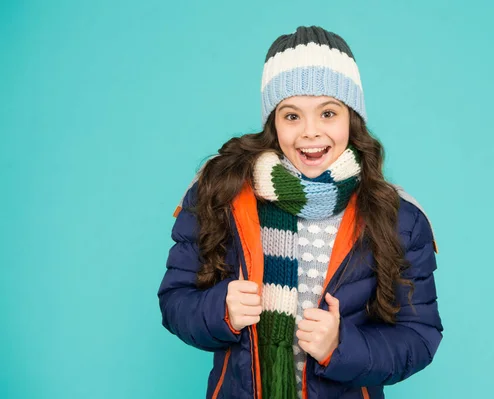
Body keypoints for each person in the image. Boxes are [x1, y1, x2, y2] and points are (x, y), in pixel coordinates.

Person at [157, 25, 443, 399]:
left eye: (328, 113)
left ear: (351, 118)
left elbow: (419, 336)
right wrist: (219, 309)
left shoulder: (399, 217)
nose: (310, 132)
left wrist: (340, 346)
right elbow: (175, 301)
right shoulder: (220, 193)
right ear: (273, 123)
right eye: (292, 116)